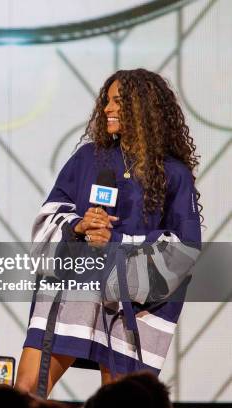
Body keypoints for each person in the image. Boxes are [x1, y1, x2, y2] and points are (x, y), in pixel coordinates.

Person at [15, 69, 202, 397]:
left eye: (118, 102)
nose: (106, 109)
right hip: (77, 282)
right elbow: (49, 217)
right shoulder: (88, 158)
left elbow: (183, 249)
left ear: (142, 107)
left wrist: (115, 242)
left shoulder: (173, 174)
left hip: (133, 299)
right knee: (28, 389)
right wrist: (78, 226)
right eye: (106, 101)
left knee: (120, 400)